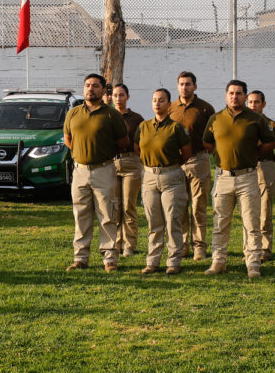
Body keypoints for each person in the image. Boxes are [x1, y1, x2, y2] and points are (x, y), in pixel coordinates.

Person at [203, 80, 275, 279]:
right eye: (231, 93)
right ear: (226, 95)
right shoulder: (216, 118)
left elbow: (270, 142)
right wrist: (222, 155)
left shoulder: (256, 119)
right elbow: (208, 143)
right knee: (220, 222)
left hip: (248, 177)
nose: (235, 97)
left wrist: (253, 154)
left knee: (251, 223)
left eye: (239, 93)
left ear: (245, 96)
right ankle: (218, 262)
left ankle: (253, 264)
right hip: (223, 177)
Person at [64, 73, 128, 272]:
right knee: (81, 215)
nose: (90, 89)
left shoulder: (112, 115)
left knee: (107, 215)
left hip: (104, 170)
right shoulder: (73, 113)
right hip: (80, 171)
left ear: (103, 90)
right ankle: (80, 258)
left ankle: (110, 259)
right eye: (87, 85)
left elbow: (123, 143)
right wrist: (80, 155)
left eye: (95, 86)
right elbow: (68, 139)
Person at [134, 88, 191, 274]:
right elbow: (137, 148)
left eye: (162, 100)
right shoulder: (144, 126)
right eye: (154, 100)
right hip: (150, 177)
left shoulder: (176, 127)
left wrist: (170, 166)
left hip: (172, 177)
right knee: (154, 222)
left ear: (168, 104)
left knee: (173, 220)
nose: (157, 103)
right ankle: (153, 261)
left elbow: (187, 153)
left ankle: (173, 262)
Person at [168, 71, 215, 261]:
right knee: (180, 206)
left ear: (195, 86)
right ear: (177, 86)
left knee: (198, 207)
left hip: (198, 161)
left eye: (188, 84)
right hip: (176, 163)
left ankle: (199, 247)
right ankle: (184, 244)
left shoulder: (205, 109)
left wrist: (204, 153)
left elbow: (213, 136)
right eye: (181, 84)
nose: (184, 87)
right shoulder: (170, 108)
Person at [246, 90, 275, 262]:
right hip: (246, 168)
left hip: (265, 166)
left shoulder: (271, 125)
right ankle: (250, 248)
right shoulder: (241, 123)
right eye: (250, 102)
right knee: (248, 211)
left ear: (263, 104)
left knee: (265, 210)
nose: (253, 105)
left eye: (257, 102)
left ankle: (265, 249)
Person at [111, 83, 144, 257]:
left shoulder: (136, 119)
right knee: (115, 206)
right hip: (111, 164)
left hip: (131, 163)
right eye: (115, 95)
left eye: (121, 95)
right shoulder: (107, 116)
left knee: (128, 205)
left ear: (127, 97)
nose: (118, 99)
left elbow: (142, 142)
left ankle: (129, 245)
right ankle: (116, 243)